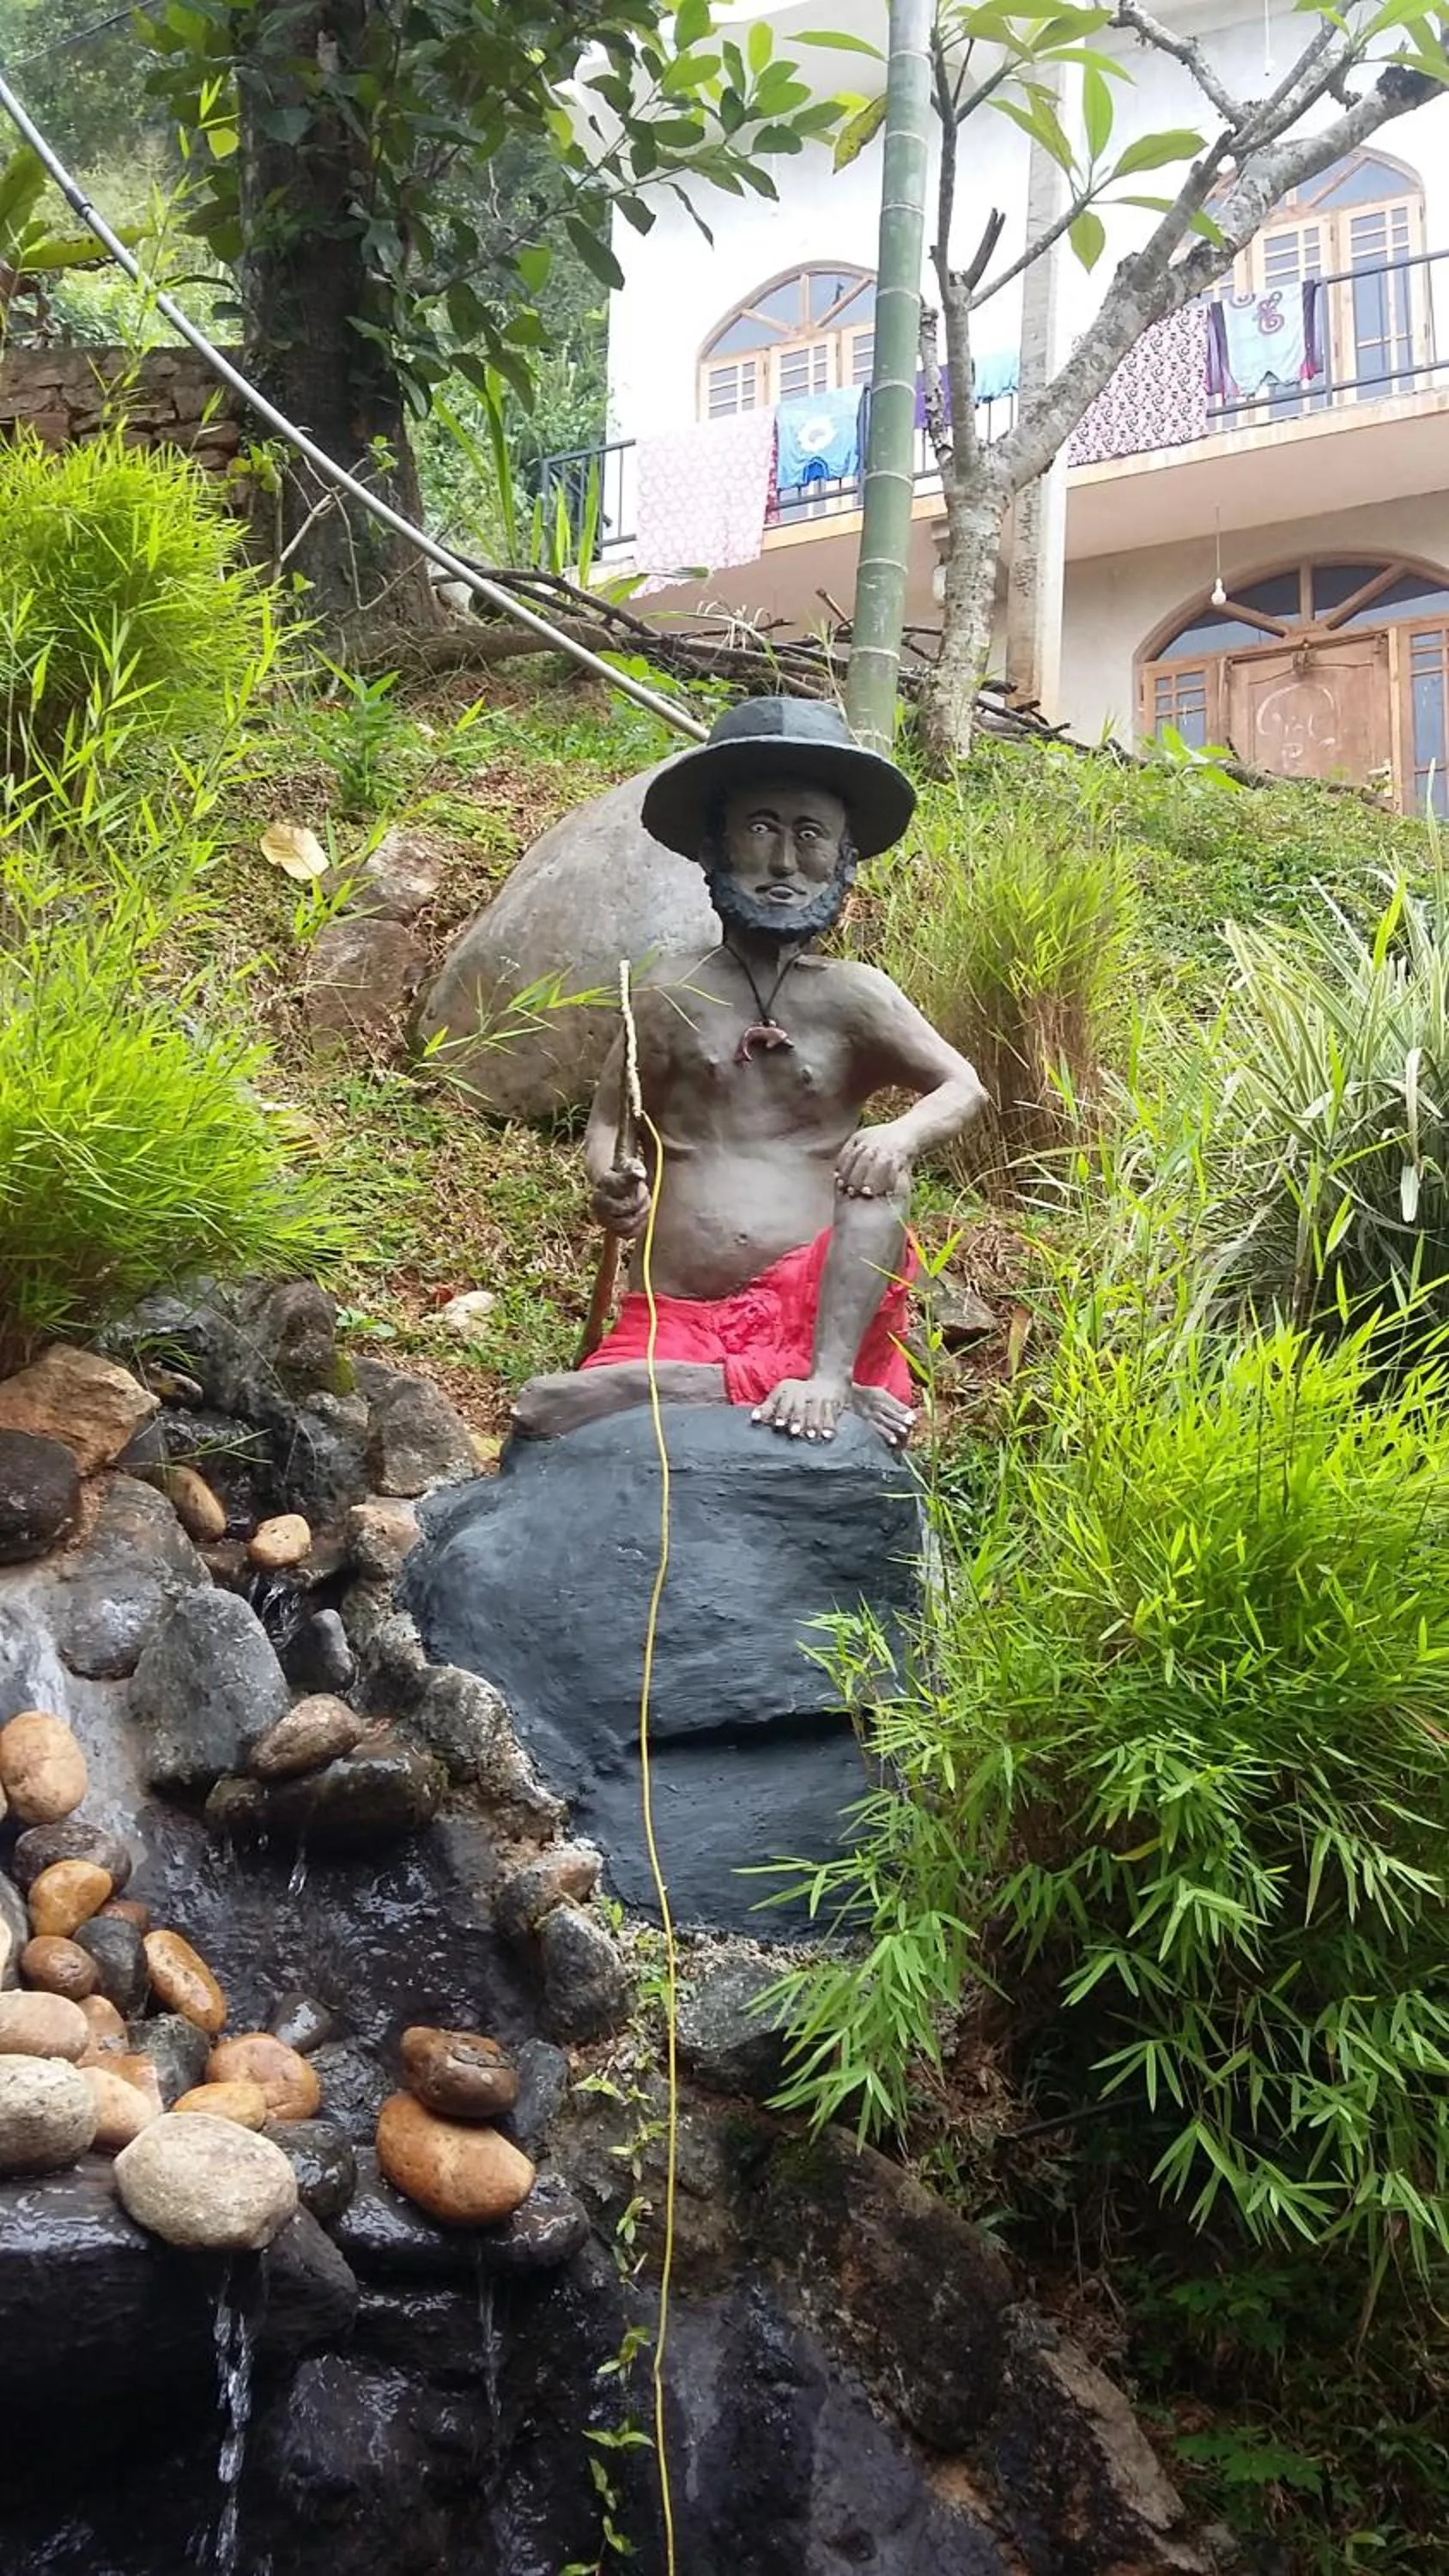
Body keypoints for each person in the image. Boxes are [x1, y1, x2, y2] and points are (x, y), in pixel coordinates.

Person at [512, 696, 987, 1449]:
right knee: (550, 1429)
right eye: (761, 828)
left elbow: (962, 1086)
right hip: (675, 1310)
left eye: (811, 836)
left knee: (875, 1177)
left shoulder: (855, 996)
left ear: (844, 858)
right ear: (713, 848)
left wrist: (899, 1135)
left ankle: (829, 1382)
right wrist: (609, 1180)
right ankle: (706, 1380)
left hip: (819, 1312)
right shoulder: (669, 991)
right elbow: (611, 1119)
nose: (785, 864)